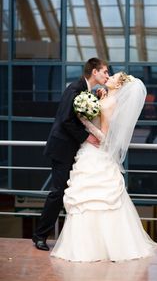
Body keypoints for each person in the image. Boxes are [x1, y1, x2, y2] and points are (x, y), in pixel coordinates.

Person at [50, 72, 157, 262]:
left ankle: (100, 248)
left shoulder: (110, 104)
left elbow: (105, 137)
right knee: (87, 199)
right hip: (89, 152)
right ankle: (86, 246)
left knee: (94, 198)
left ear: (119, 85)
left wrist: (84, 122)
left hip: (96, 153)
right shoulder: (105, 97)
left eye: (113, 77)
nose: (109, 77)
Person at [32, 58, 109, 251]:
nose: (107, 76)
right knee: (58, 192)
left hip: (71, 149)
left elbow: (80, 117)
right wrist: (87, 138)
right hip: (62, 148)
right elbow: (66, 120)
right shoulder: (74, 89)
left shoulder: (85, 91)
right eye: (105, 72)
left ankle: (75, 238)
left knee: (68, 193)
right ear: (94, 72)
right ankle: (39, 236)